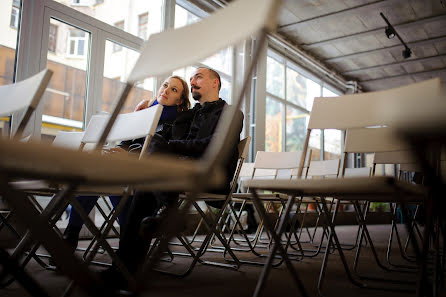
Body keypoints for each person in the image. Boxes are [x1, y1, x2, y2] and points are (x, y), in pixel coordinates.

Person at [107, 67, 243, 285]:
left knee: (152, 173)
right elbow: (157, 138)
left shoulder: (230, 113)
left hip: (209, 172)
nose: (193, 81)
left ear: (215, 82)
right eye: (191, 79)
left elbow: (215, 146)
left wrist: (169, 146)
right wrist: (142, 115)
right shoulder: (186, 115)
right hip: (176, 173)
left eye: (198, 77)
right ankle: (124, 268)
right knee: (145, 181)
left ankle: (165, 212)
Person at [60, 75, 191, 254]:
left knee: (107, 177)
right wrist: (121, 146)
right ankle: (72, 235)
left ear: (180, 100)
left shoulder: (179, 122)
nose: (166, 90)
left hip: (150, 174)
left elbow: (165, 151)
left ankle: (123, 241)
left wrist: (129, 154)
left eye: (174, 89)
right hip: (125, 170)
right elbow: (126, 143)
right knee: (96, 171)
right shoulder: (145, 113)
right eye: (165, 85)